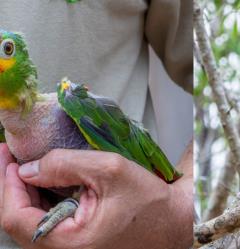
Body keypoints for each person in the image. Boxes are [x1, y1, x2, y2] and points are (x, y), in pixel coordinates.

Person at [0, 1, 193, 249]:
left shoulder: (72, 104)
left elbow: (207, 64)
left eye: (6, 49)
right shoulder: (8, 130)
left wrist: (178, 209)